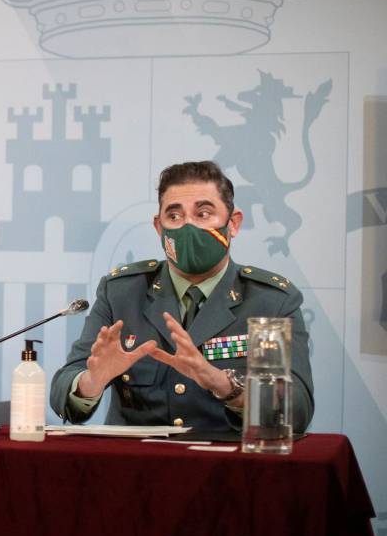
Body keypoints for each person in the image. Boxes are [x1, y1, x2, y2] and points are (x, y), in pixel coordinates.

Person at [50, 160, 313, 432]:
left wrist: (224, 385)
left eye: (203, 214)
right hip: (136, 466)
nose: (188, 226)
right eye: (174, 217)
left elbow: (297, 410)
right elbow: (63, 390)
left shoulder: (272, 301)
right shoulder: (121, 293)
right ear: (159, 228)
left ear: (233, 224)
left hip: (228, 468)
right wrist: (91, 383)